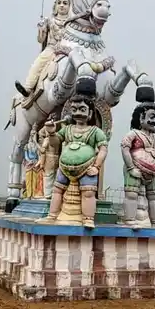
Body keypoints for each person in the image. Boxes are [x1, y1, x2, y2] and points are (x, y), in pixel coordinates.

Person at [38, 94, 108, 228]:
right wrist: (52, 133)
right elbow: (55, 143)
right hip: (64, 167)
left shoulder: (95, 131)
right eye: (74, 109)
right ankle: (52, 215)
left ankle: (88, 218)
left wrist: (97, 166)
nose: (78, 113)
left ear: (90, 113)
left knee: (88, 193)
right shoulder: (67, 129)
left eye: (82, 109)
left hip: (87, 168)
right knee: (57, 190)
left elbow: (103, 149)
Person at [18, 0, 71, 97]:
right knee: (39, 62)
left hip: (68, 51)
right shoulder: (49, 21)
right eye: (59, 2)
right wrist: (41, 29)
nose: (62, 5)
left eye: (65, 3)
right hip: (51, 49)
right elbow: (41, 40)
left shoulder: (72, 23)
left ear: (69, 6)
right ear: (55, 5)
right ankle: (28, 88)